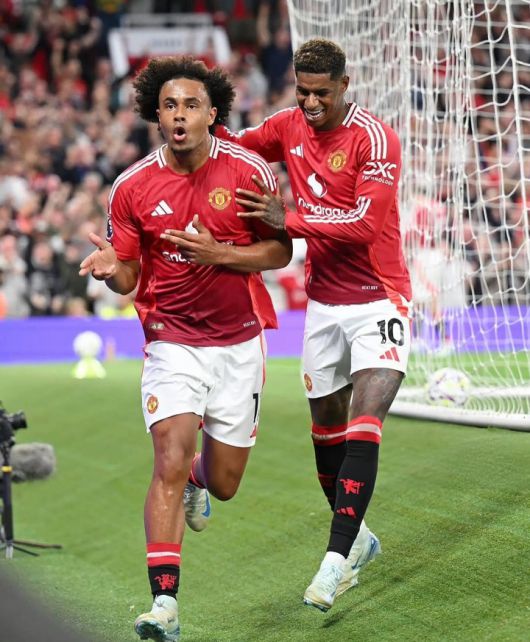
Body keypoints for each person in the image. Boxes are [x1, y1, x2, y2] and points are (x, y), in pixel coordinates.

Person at [79, 56, 292, 641]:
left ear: (212, 113)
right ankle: (164, 606)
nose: (179, 115)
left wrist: (219, 254)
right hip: (171, 342)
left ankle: (202, 483)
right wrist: (112, 271)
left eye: (191, 105)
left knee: (223, 482)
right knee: (169, 460)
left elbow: (279, 252)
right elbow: (128, 275)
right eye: (169, 105)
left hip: (239, 343)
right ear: (156, 114)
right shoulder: (132, 186)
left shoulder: (248, 171)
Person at [218, 38, 412, 611]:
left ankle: (334, 561)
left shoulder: (374, 138)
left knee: (364, 422)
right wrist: (194, 126)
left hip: (379, 300)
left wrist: (291, 219)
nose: (310, 103)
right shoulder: (287, 126)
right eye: (302, 91)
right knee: (325, 433)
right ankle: (360, 539)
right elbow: (232, 146)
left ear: (344, 86)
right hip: (324, 306)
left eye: (321, 92)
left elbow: (365, 224)